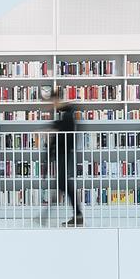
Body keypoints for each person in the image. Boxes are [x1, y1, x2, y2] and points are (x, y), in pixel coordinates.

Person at [46, 89, 84, 226]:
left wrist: (54, 130)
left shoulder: (68, 114)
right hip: (62, 152)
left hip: (64, 152)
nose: (52, 105)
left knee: (64, 183)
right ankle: (77, 214)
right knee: (63, 183)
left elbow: (65, 132)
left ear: (57, 100)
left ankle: (78, 215)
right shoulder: (66, 114)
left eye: (53, 102)